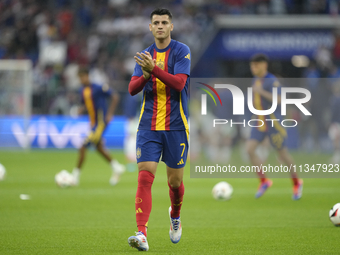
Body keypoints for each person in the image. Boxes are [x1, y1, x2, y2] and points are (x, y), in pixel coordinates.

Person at [127, 8, 191, 251]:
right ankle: (141, 233)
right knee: (145, 175)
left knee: (175, 183)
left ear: (171, 26)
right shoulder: (144, 55)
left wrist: (153, 70)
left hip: (176, 126)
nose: (161, 26)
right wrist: (144, 75)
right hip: (148, 126)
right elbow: (132, 89)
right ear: (150, 27)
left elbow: (179, 83)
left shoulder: (182, 51)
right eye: (156, 22)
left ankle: (175, 216)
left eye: (165, 22)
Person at [246, 53, 303, 200]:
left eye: (256, 65)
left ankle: (297, 182)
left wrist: (261, 92)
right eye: (252, 65)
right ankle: (264, 181)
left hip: (273, 123)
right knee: (249, 149)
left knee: (282, 154)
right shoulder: (256, 80)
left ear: (264, 65)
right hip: (260, 122)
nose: (253, 68)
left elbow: (279, 100)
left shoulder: (272, 81)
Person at [71, 67, 125, 186]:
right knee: (98, 147)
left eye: (83, 77)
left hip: (101, 123)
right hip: (93, 124)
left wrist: (110, 114)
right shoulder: (82, 91)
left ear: (87, 76)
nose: (81, 79)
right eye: (79, 78)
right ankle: (117, 167)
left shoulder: (98, 87)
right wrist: (81, 110)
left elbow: (115, 96)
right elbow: (87, 105)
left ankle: (75, 177)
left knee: (83, 147)